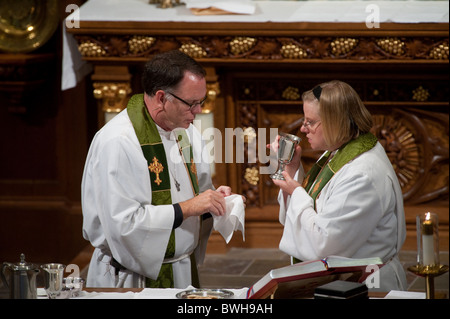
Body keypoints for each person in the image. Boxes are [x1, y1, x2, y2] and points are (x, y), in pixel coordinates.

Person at [81, 50, 238, 288]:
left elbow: (197, 193)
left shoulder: (186, 131)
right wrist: (188, 208)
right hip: (133, 279)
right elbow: (124, 226)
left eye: (201, 102)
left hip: (182, 271)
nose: (198, 111)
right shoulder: (118, 142)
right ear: (162, 97)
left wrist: (213, 201)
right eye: (192, 103)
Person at [269, 80, 407, 291]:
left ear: (335, 122)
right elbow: (317, 208)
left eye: (310, 122)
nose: (303, 128)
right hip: (343, 282)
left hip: (368, 287)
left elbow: (325, 245)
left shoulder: (362, 174)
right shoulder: (338, 151)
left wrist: (296, 192)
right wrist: (292, 170)